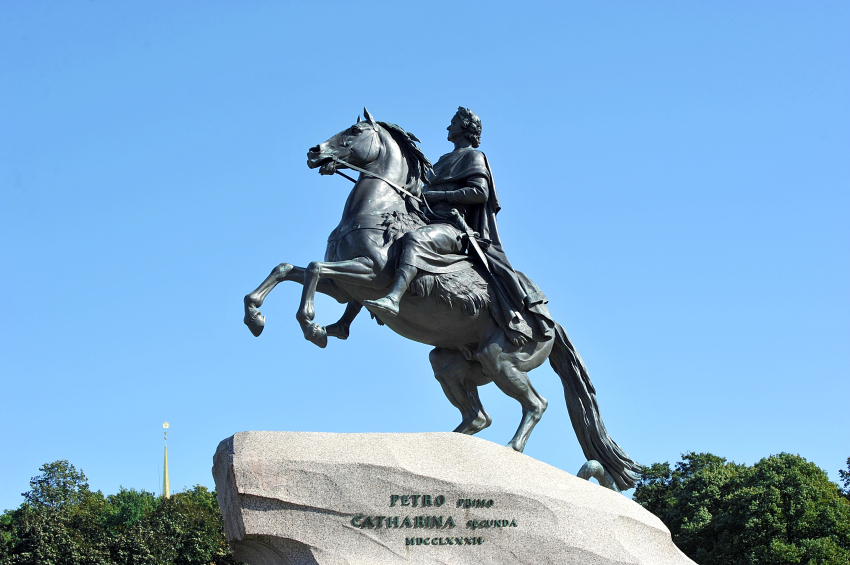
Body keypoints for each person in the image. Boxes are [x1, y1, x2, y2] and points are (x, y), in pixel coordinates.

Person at [363, 107, 553, 345]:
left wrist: (438, 195)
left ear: (464, 127)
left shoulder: (474, 156)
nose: (447, 127)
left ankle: (393, 298)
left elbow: (480, 192)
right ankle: (346, 320)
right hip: (428, 220)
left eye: (452, 123)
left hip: (453, 227)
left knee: (414, 241)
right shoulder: (443, 160)